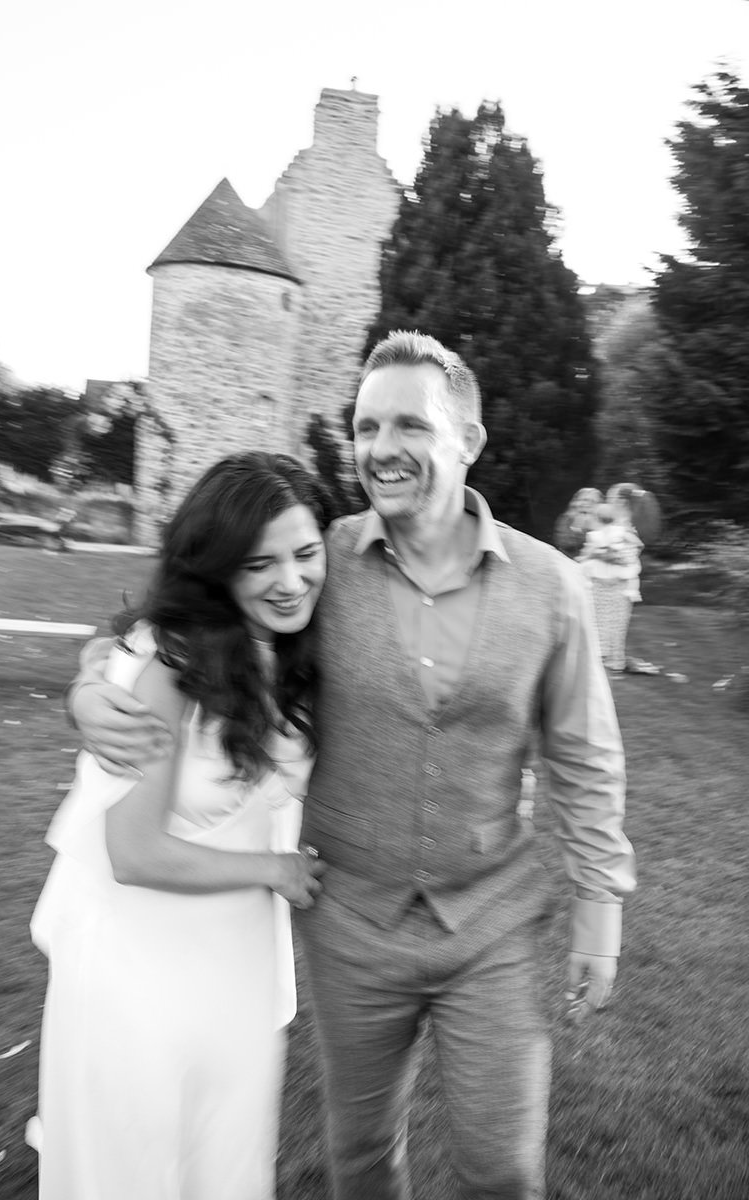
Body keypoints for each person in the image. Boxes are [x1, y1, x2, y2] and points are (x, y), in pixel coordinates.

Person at [68, 332, 636, 1200]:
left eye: (408, 424)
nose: (379, 449)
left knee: (503, 1167)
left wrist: (599, 910)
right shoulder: (319, 557)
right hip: (348, 919)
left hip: (491, 920)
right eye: (366, 426)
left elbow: (585, 757)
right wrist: (89, 680)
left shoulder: (551, 585)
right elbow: (185, 607)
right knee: (362, 1155)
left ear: (469, 441)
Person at [30, 451, 330, 1200]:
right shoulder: (169, 663)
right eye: (260, 563)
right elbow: (131, 852)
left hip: (233, 957)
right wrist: (277, 870)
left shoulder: (287, 647)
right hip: (140, 958)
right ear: (219, 569)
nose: (291, 581)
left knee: (224, 1158)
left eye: (305, 554)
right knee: (134, 1163)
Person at [577, 501, 643, 672]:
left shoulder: (595, 536)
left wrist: (599, 554)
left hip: (601, 583)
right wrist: (622, 554)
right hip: (619, 584)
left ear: (597, 518)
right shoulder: (622, 533)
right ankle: (614, 659)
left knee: (598, 621)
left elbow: (585, 557)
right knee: (616, 622)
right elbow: (639, 545)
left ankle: (600, 656)